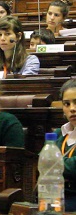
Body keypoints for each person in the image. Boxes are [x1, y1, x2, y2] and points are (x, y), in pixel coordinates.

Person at [53, 79, 76, 211]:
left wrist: (53, 163)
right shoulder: (57, 134)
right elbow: (41, 163)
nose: (72, 109)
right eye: (67, 104)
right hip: (55, 196)